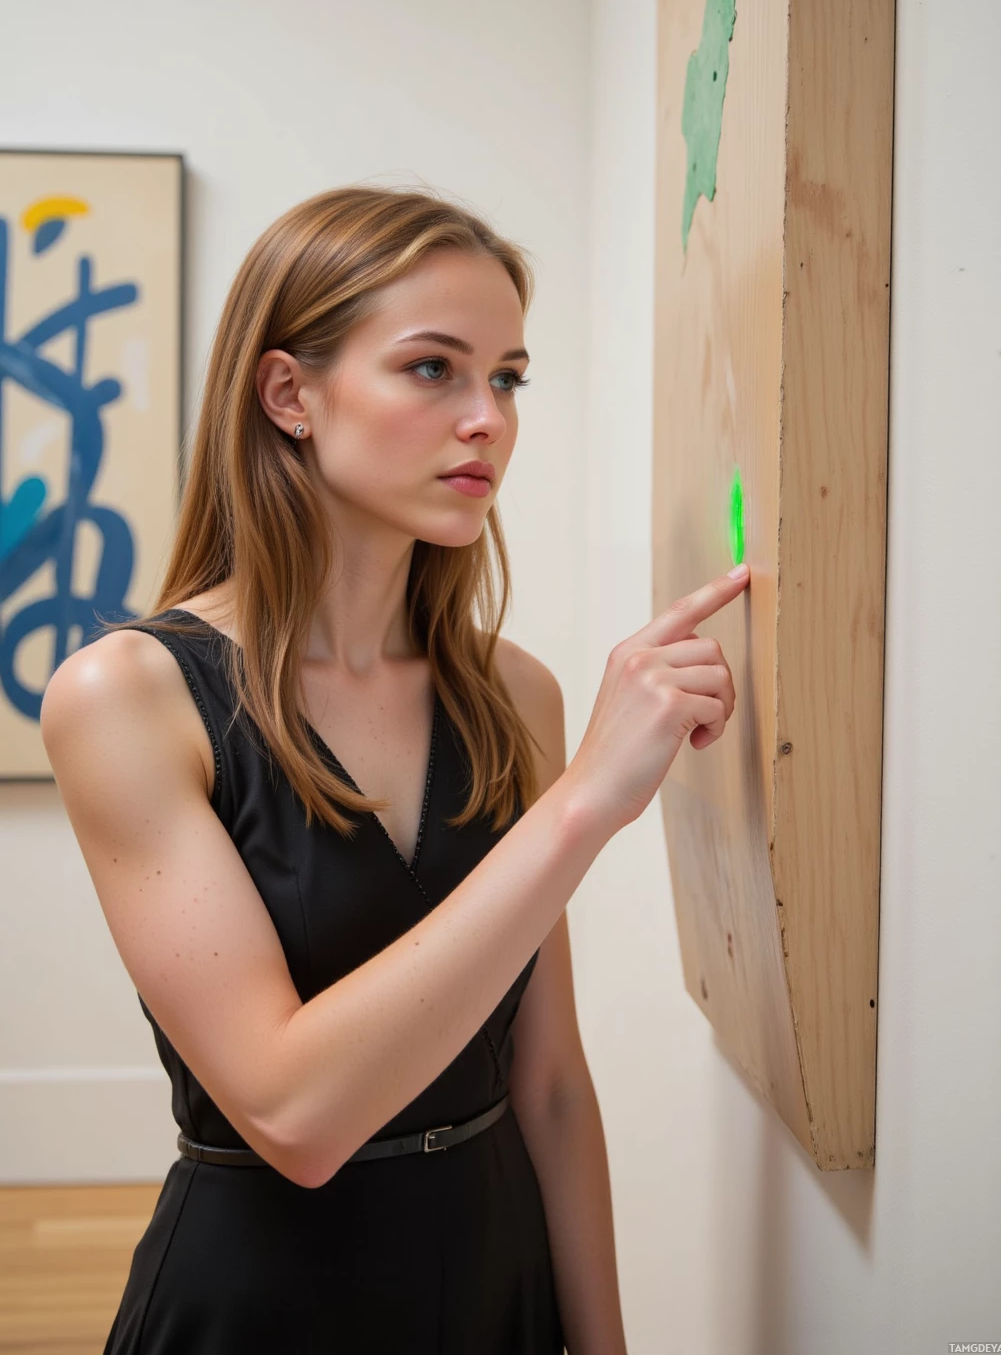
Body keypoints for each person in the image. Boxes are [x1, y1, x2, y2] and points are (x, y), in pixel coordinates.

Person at [40, 184, 750, 1355]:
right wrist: (583, 804)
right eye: (434, 370)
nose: (489, 419)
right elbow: (293, 1112)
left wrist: (604, 1343)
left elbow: (551, 1082)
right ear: (289, 395)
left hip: (495, 1273)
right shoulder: (127, 696)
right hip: (267, 1298)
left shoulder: (513, 693)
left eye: (509, 377)